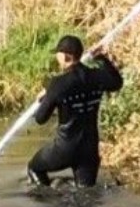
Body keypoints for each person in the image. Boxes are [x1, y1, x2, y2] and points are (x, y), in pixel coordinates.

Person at [27, 35, 125, 188]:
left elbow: (40, 119)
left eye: (57, 54)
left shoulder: (58, 84)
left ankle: (49, 200)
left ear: (66, 56)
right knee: (85, 196)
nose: (56, 57)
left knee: (34, 168)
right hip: (89, 150)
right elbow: (117, 82)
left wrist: (45, 98)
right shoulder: (97, 76)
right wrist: (101, 58)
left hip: (64, 149)